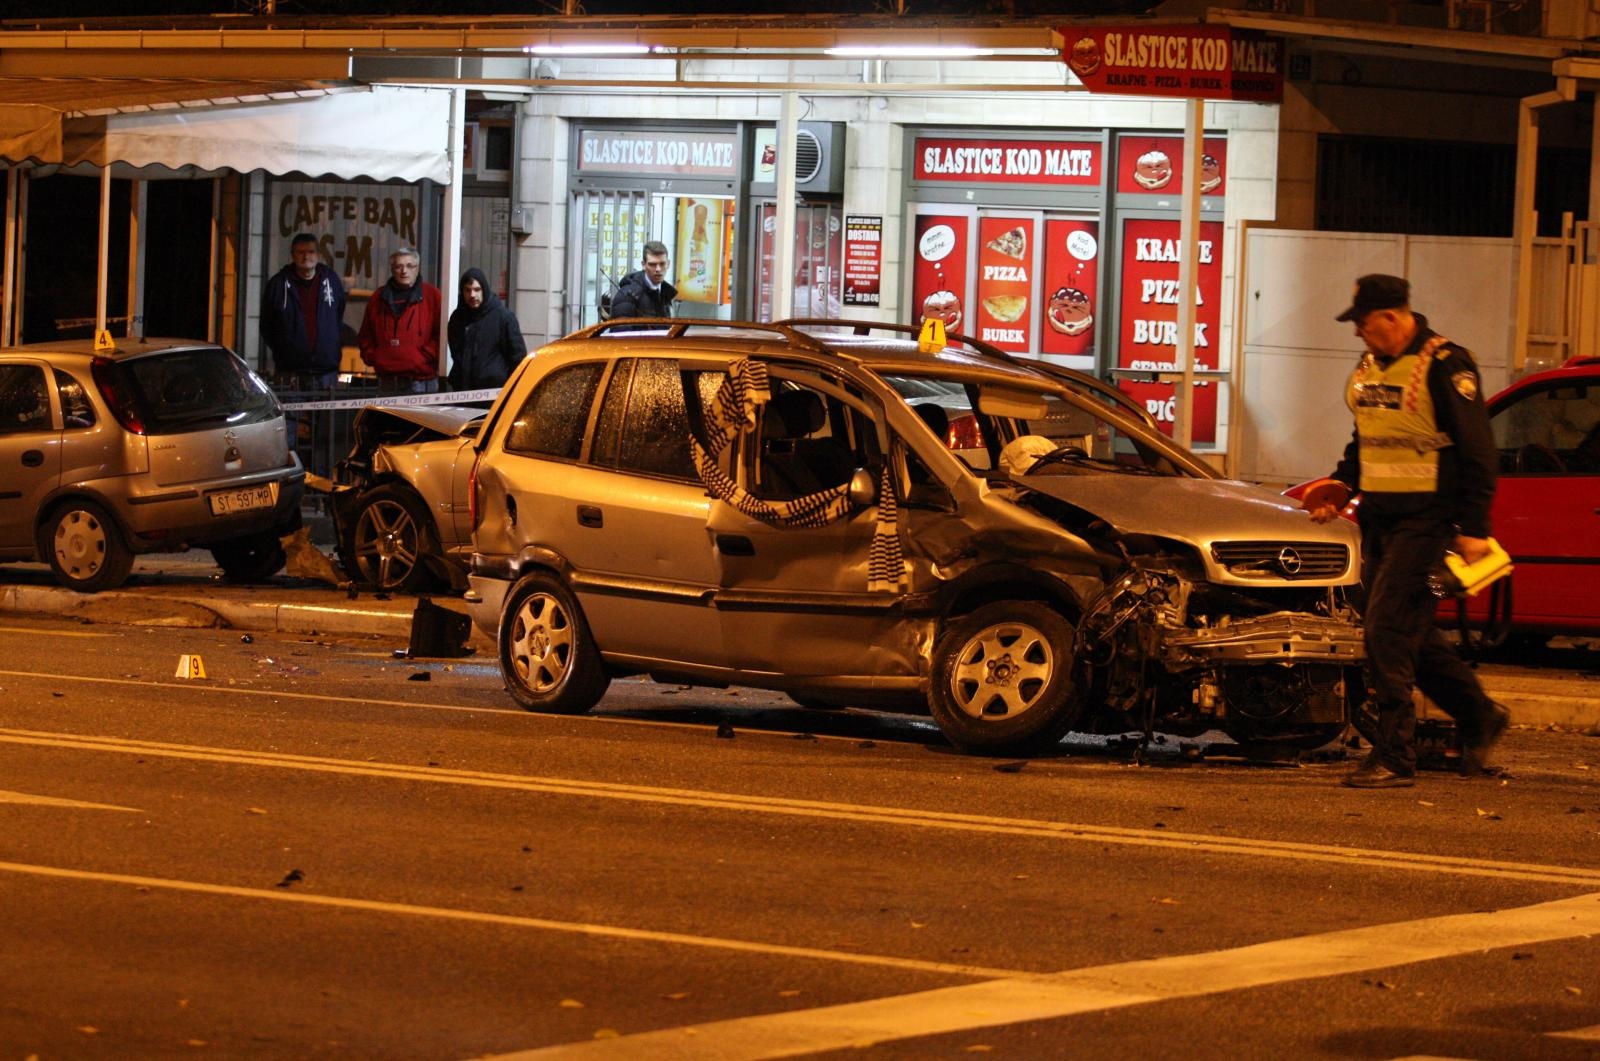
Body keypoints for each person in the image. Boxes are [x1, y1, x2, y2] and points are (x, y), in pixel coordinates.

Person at [1308, 274, 1510, 789]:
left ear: (1394, 318)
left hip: (1427, 522)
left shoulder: (1445, 365)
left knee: (1385, 631)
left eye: (1363, 323)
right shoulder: (1371, 367)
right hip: (1378, 518)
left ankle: (1395, 755)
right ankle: (1480, 715)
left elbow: (1478, 450)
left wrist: (1474, 526)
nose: (1358, 333)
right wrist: (1341, 485)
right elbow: (1368, 439)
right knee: (1410, 637)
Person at [260, 232, 346, 390]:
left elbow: (338, 314)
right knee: (292, 415)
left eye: (311, 252)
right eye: (300, 252)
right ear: (292, 255)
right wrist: (284, 348)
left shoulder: (332, 281)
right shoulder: (278, 284)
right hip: (290, 372)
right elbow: (267, 325)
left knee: (325, 415)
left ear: (318, 255)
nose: (306, 257)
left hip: (325, 371)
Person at [358, 246, 443, 394]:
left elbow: (443, 335)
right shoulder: (378, 297)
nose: (404, 271)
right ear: (392, 269)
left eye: (410, 266)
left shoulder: (432, 296)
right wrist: (375, 356)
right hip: (387, 380)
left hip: (422, 380)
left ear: (417, 269)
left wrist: (423, 357)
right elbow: (366, 334)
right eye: (399, 266)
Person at [446, 268, 526, 392]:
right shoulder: (457, 318)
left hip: (494, 392)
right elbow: (456, 352)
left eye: (477, 290)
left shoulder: (503, 317)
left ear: (484, 290)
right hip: (462, 391)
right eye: (468, 290)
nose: (472, 295)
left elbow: (517, 357)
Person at [607, 240, 676, 320]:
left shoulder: (665, 292)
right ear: (643, 265)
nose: (658, 269)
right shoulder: (627, 296)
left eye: (662, 264)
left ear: (668, 264)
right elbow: (620, 331)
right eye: (652, 264)